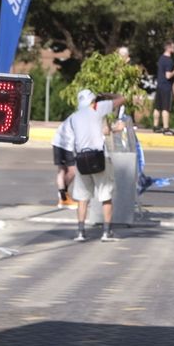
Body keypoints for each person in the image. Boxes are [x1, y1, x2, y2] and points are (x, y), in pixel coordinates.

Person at [65, 88, 126, 241]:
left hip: (81, 159)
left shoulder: (74, 117)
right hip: (99, 157)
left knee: (82, 197)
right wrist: (107, 96)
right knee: (105, 195)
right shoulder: (98, 108)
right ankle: (107, 232)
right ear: (93, 101)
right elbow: (121, 99)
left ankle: (80, 232)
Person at [154, 41, 174, 136]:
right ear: (168, 48)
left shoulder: (161, 58)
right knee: (165, 108)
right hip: (166, 87)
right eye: (173, 47)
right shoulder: (169, 61)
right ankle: (166, 129)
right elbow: (168, 76)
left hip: (159, 86)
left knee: (157, 107)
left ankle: (156, 127)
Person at [50, 118, 76, 208]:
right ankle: (63, 197)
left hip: (66, 143)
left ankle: (63, 196)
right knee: (71, 170)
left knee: (65, 170)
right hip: (63, 143)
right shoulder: (81, 117)